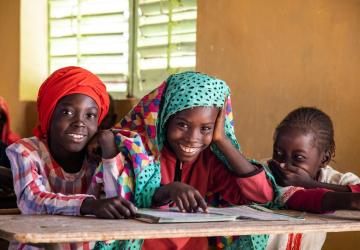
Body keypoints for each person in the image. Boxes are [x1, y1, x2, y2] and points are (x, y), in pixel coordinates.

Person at [118, 71, 278, 250]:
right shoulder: (139, 153)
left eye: (205, 128)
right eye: (183, 125)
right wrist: (169, 191)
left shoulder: (209, 161)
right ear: (164, 118)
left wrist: (222, 141)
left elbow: (262, 197)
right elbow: (127, 200)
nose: (192, 138)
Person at [6, 66, 159, 250]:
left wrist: (109, 151)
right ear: (49, 114)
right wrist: (88, 205)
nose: (79, 122)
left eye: (90, 115)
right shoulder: (25, 151)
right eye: (67, 112)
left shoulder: (95, 157)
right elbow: (32, 201)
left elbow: (118, 202)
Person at [266, 107, 360, 250]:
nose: (284, 164)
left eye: (298, 157)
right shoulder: (265, 174)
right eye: (278, 153)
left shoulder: (329, 178)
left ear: (324, 159)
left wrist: (310, 184)